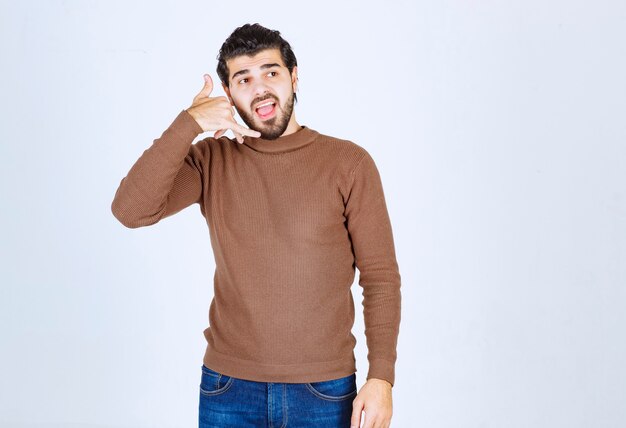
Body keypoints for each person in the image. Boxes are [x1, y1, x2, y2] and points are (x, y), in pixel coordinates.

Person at [111, 22, 401, 428]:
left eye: (271, 72)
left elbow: (380, 276)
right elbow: (130, 210)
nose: (260, 87)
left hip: (325, 389)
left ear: (294, 77)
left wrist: (381, 376)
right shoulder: (211, 160)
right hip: (229, 389)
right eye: (243, 78)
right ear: (228, 94)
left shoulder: (348, 163)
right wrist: (190, 123)